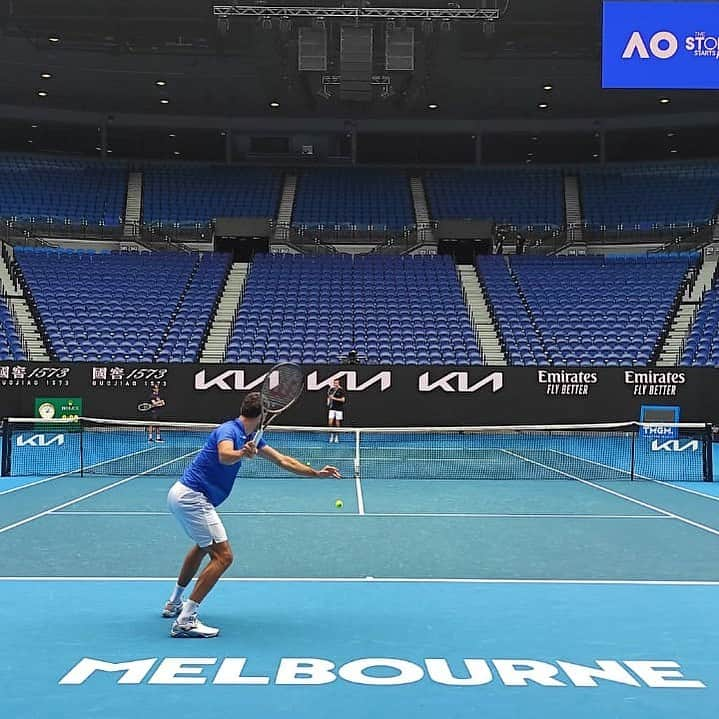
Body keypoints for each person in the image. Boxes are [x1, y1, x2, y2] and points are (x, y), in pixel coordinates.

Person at [163, 391, 341, 638]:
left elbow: (283, 461)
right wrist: (241, 454)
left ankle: (174, 603)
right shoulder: (230, 431)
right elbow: (225, 455)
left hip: (181, 494)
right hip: (193, 497)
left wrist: (316, 473)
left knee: (203, 547)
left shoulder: (250, 436)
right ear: (263, 414)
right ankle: (186, 619)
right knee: (223, 557)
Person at [327, 378, 346, 443]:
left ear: (338, 383)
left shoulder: (341, 390)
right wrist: (328, 401)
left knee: (337, 423)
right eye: (335, 383)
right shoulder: (331, 390)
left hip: (339, 409)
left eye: (337, 383)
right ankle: (332, 435)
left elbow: (343, 400)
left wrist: (334, 398)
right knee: (330, 422)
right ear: (333, 383)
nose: (336, 384)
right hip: (332, 408)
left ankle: (337, 436)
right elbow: (329, 397)